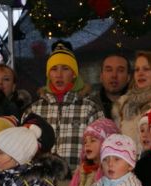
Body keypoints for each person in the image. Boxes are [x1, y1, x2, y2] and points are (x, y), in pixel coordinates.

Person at [25, 41, 104, 171]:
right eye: (54, 69)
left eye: (65, 69)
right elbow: (24, 148)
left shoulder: (90, 108)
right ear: (48, 74)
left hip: (78, 180)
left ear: (74, 74)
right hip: (41, 180)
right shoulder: (34, 110)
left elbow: (100, 148)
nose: (59, 74)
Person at [67, 118, 119, 186]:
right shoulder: (81, 172)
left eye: (93, 140)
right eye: (85, 142)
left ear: (107, 143)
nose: (87, 145)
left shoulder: (112, 175)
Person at [89, 54, 132, 119]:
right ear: (101, 76)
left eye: (120, 70)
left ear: (128, 77)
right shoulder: (88, 106)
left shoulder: (138, 105)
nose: (114, 75)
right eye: (109, 70)